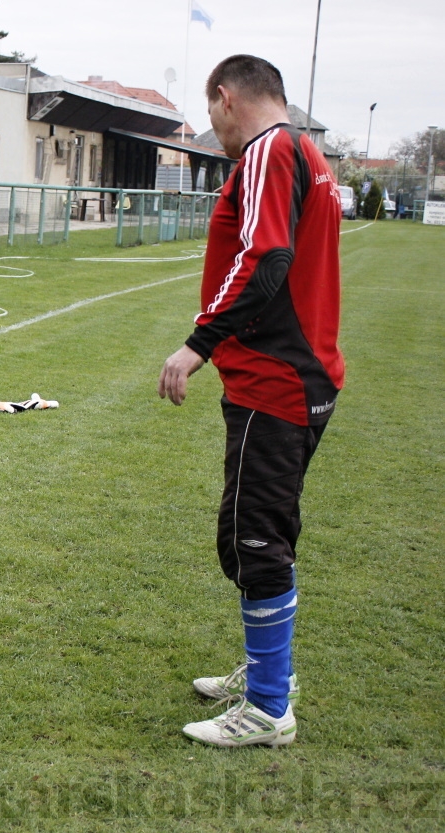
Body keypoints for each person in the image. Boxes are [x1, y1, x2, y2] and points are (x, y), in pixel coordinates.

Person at [157, 55, 344, 748]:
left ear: (226, 98)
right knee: (259, 535)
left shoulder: (269, 150)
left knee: (255, 540)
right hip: (299, 376)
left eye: (211, 114)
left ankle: (268, 708)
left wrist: (197, 343)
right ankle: (273, 674)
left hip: (278, 380)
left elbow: (266, 257)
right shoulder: (307, 153)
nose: (216, 129)